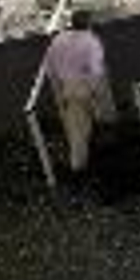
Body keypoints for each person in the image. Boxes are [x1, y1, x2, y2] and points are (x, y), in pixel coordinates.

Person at [40, 11, 110, 175]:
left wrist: (59, 92)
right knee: (94, 124)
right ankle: (90, 164)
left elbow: (49, 66)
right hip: (85, 87)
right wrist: (95, 92)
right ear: (88, 24)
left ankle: (82, 164)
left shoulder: (58, 39)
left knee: (76, 128)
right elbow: (96, 71)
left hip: (66, 87)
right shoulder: (91, 41)